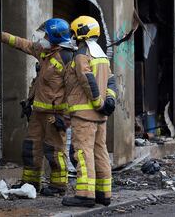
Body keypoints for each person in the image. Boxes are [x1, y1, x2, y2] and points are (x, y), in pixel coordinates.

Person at [0, 18, 74, 196]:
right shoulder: (43, 51)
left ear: (56, 38)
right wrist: (0, 35)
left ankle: (58, 186)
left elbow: (74, 91)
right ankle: (31, 183)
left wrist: (65, 118)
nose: (44, 37)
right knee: (31, 149)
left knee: (55, 152)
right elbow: (23, 44)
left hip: (54, 115)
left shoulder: (67, 58)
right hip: (37, 114)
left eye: (47, 35)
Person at [62, 16, 117, 207]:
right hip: (100, 116)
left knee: (83, 154)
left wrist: (96, 102)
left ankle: (85, 195)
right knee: (100, 153)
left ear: (80, 32)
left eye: (73, 32)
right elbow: (111, 80)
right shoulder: (100, 54)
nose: (72, 36)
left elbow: (87, 80)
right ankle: (104, 193)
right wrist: (109, 101)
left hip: (84, 114)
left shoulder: (81, 54)